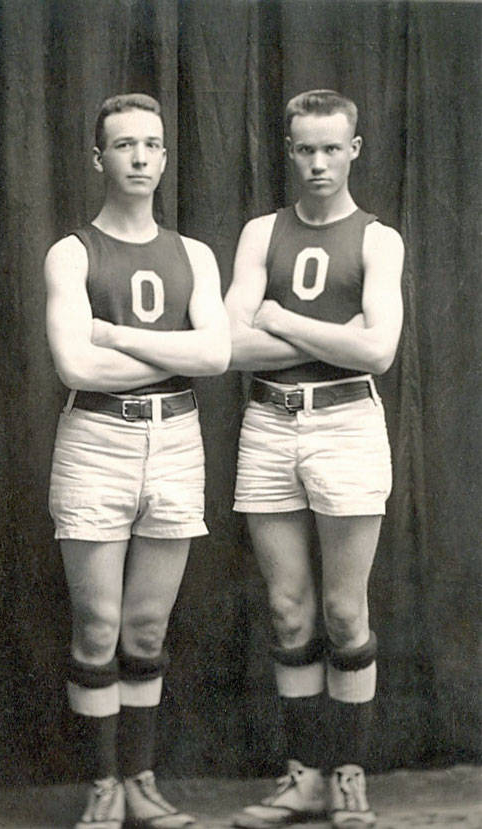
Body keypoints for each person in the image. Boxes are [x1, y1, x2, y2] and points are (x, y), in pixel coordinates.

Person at [45, 93, 230, 829]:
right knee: (97, 623)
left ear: (164, 156)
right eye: (124, 145)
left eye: (152, 144)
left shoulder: (193, 254)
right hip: (95, 441)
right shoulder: (72, 251)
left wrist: (116, 338)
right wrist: (165, 354)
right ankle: (103, 784)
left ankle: (142, 781)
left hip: (178, 441)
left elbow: (215, 355)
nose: (140, 158)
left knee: (147, 628)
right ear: (99, 158)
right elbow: (70, 366)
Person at [225, 89, 404, 828]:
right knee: (288, 608)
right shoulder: (261, 232)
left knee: (343, 607)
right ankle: (303, 776)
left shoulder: (377, 238)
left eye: (332, 148)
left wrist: (281, 318)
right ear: (289, 149)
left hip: (347, 425)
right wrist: (334, 332)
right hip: (269, 422)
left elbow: (380, 350)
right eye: (306, 148)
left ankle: (348, 774)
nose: (319, 162)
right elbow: (230, 345)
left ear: (354, 149)